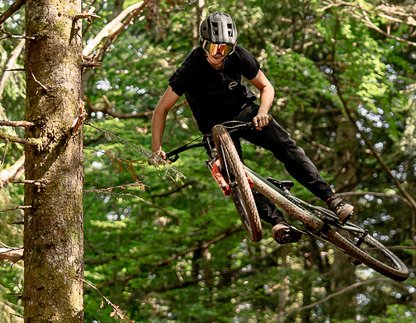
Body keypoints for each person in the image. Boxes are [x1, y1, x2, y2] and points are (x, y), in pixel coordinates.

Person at [149, 12, 354, 245]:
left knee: (285, 145)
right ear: (203, 44)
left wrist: (263, 112)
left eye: (224, 49)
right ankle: (277, 223)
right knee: (234, 173)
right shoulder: (190, 68)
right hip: (213, 127)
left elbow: (266, 87)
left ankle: (331, 198)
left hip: (244, 112)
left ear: (232, 48)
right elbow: (161, 110)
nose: (218, 54)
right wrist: (157, 149)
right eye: (213, 47)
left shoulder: (240, 56)